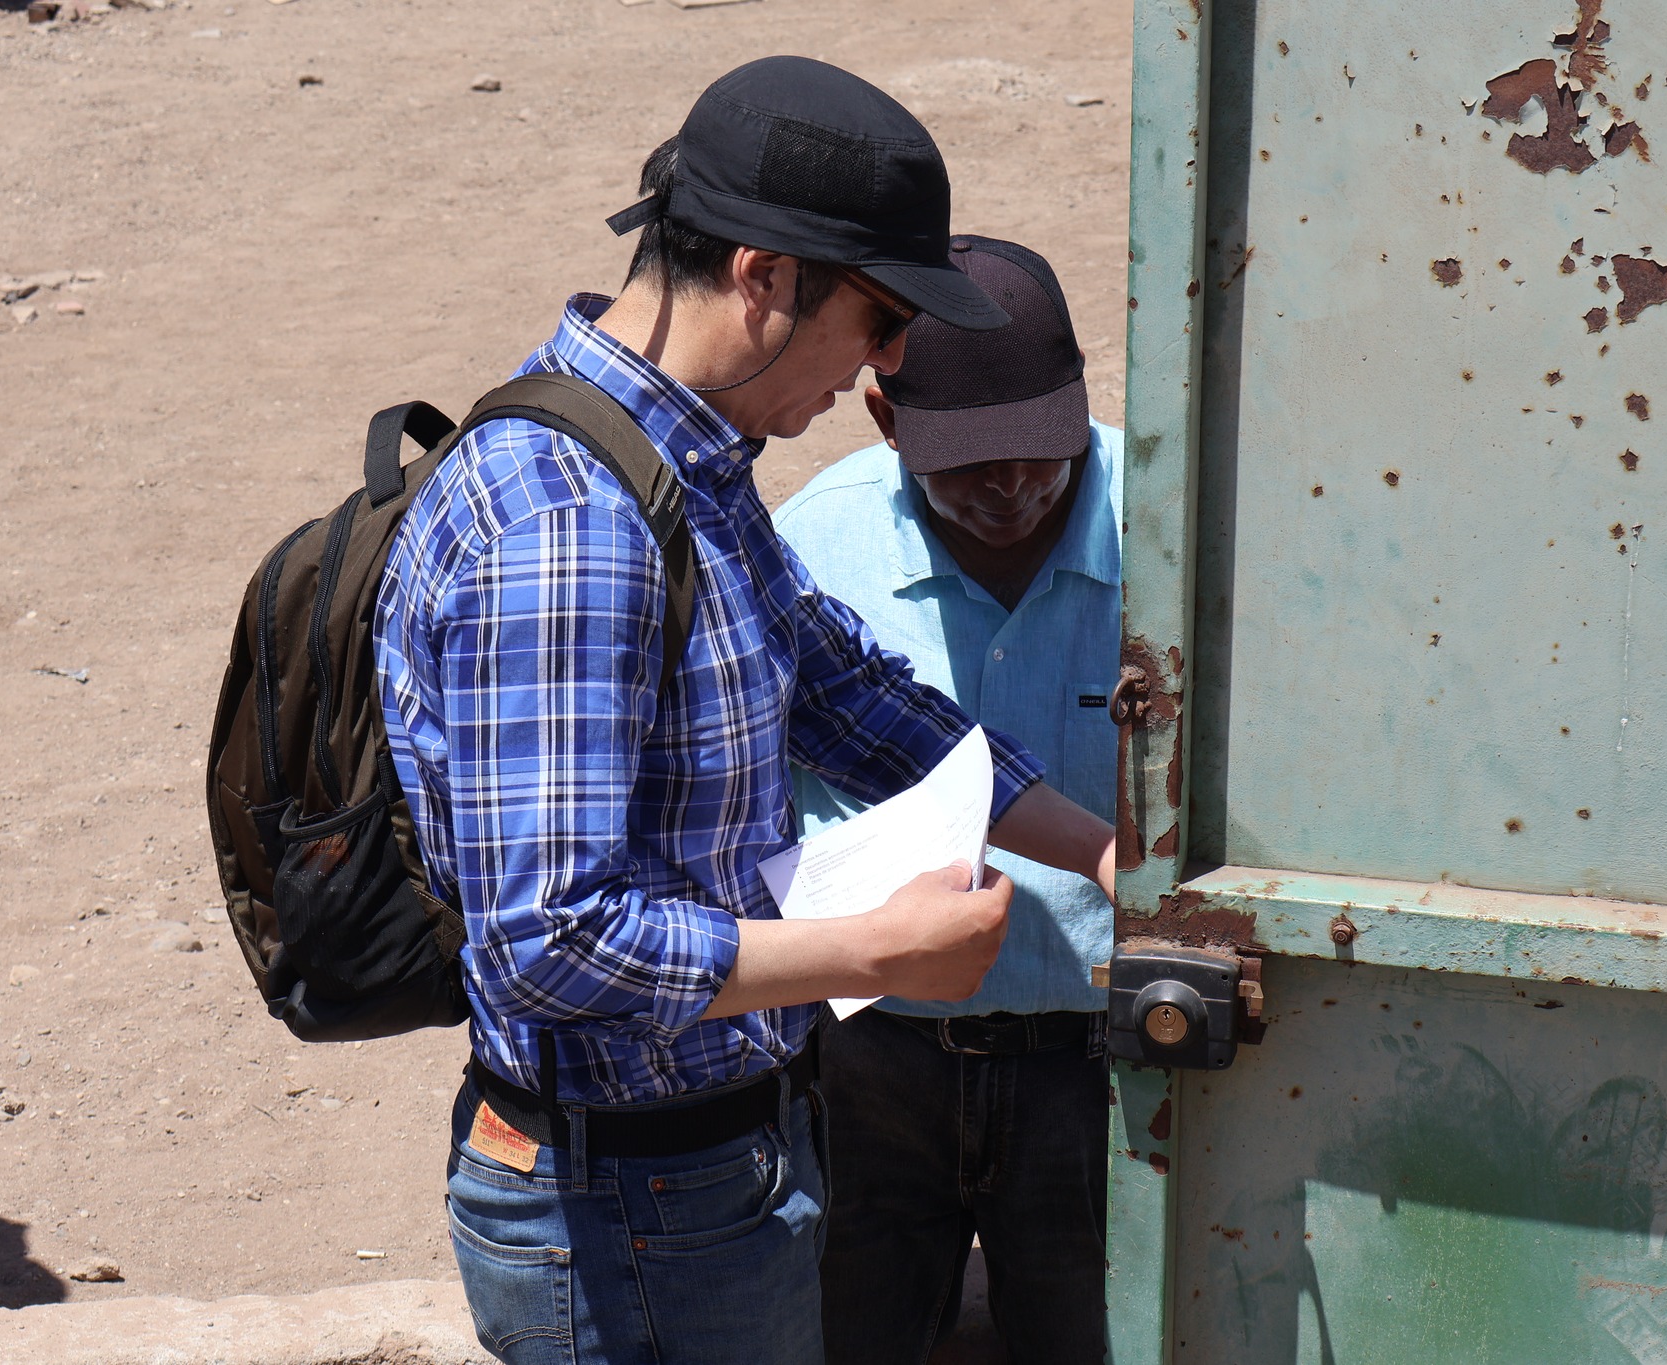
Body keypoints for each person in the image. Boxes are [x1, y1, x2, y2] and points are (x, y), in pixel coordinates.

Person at [372, 59, 1116, 1365]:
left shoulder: (681, 458)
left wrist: (1100, 848)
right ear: (768, 278)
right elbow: (553, 942)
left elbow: (853, 698)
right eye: (881, 320)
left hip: (713, 1169)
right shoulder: (574, 527)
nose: (888, 367)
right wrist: (875, 956)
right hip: (626, 1207)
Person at [775, 235, 1122, 1365]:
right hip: (878, 1062)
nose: (1013, 488)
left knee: (1087, 1332)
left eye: (1040, 451)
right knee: (856, 1331)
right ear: (884, 422)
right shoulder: (811, 550)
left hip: (1093, 1062)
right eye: (969, 467)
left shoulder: (1174, 535)